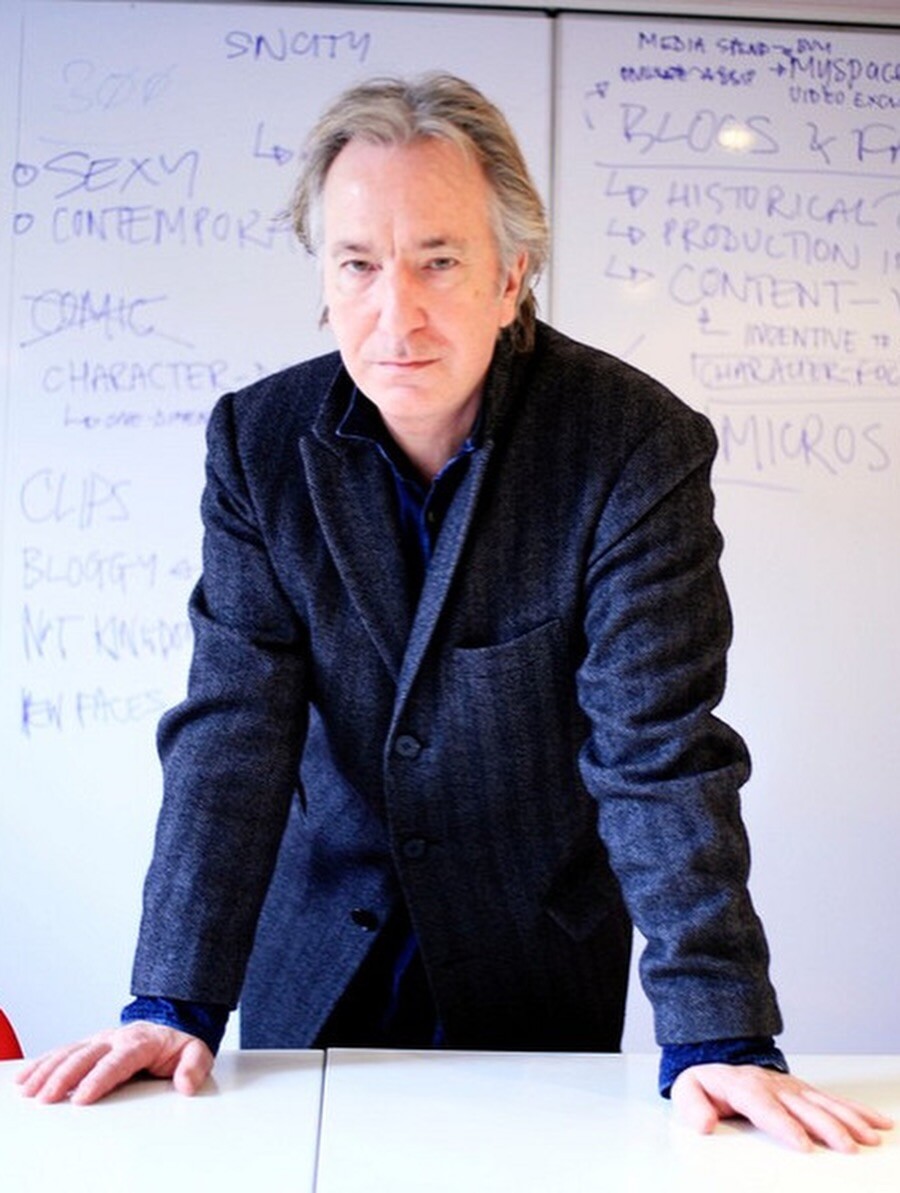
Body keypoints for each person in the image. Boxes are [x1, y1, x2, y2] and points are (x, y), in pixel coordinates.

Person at [17, 73, 891, 1153]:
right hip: (315, 952)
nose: (397, 315)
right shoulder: (258, 442)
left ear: (512, 273)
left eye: (438, 261)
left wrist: (721, 1031)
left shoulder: (632, 446)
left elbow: (657, 752)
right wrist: (170, 1001)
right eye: (358, 264)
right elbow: (233, 731)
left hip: (531, 964)